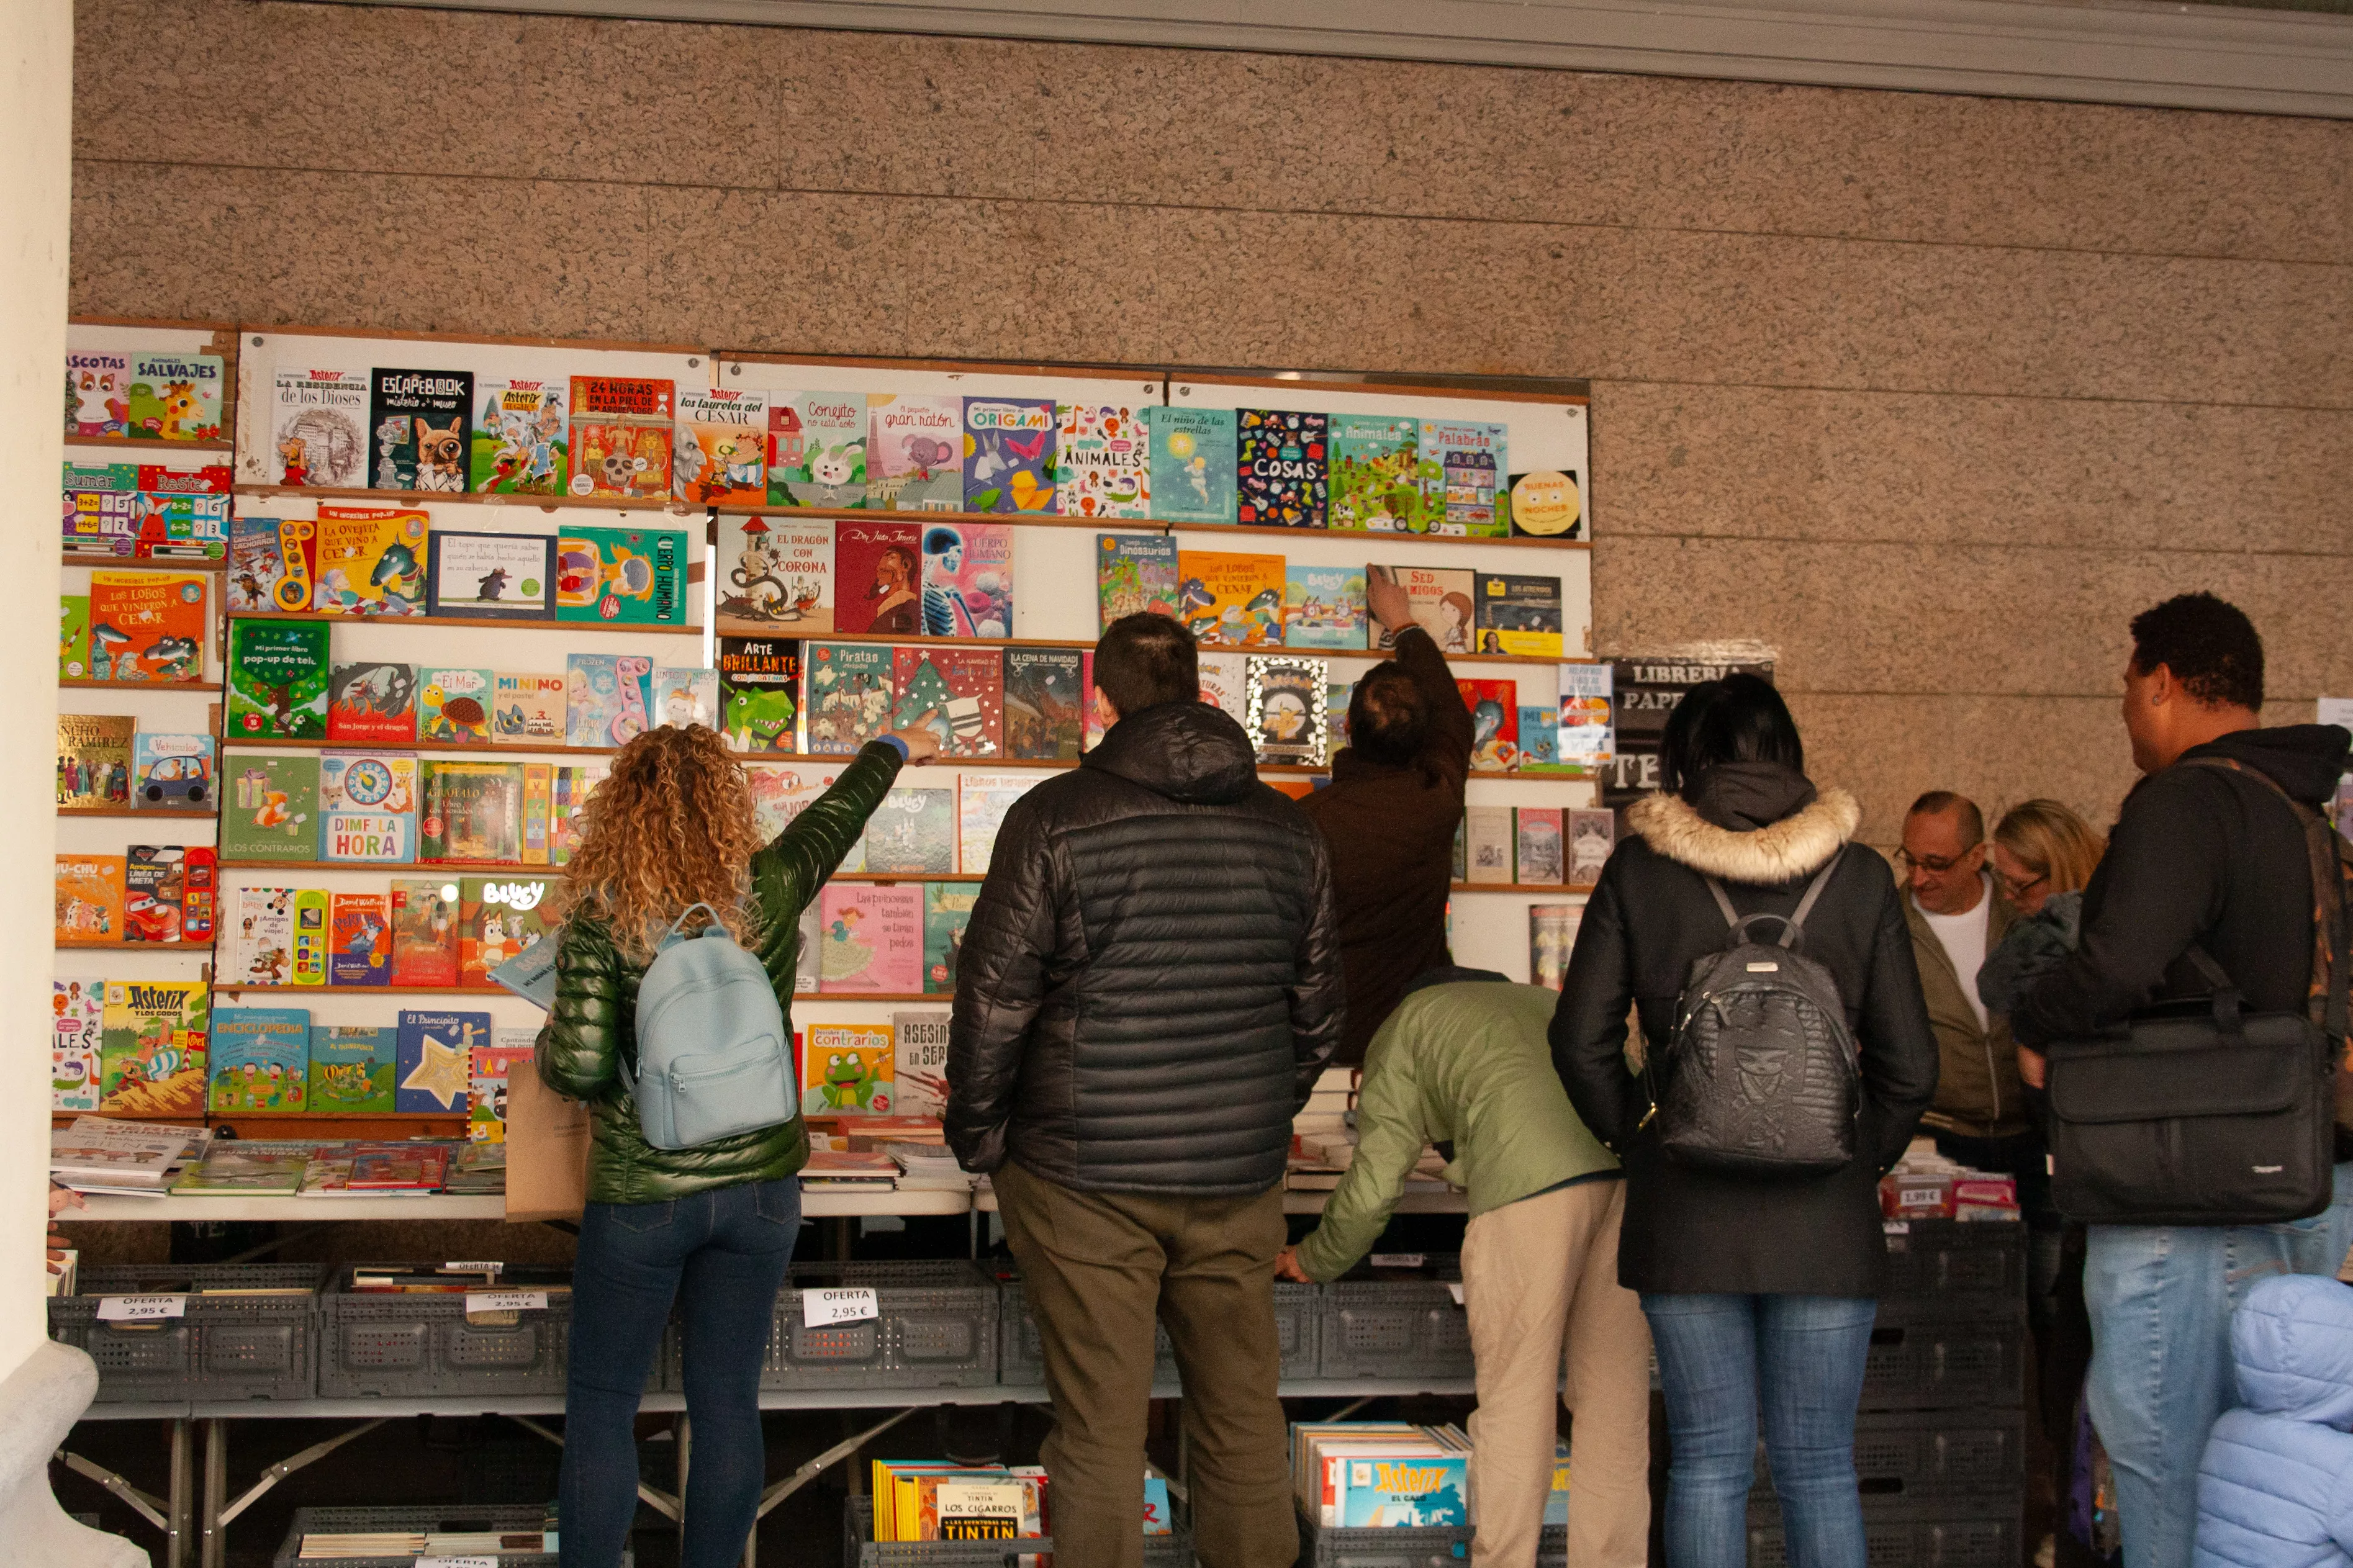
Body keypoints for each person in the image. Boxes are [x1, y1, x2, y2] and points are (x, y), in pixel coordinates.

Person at [947, 611, 1345, 1568]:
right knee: (1245, 1415)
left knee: (1098, 1428)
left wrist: (979, 1134)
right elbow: (1322, 1013)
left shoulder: (1053, 815)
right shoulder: (1291, 828)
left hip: (1081, 1174)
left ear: (1101, 692)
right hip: (1237, 1175)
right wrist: (1255, 1112)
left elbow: (996, 997)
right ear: (1201, 685)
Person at [1550, 673, 1938, 1568]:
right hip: (1824, 1223)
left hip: (1687, 1218)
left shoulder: (1640, 866)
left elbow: (1579, 1041)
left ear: (1685, 759)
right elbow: (1912, 1064)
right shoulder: (1863, 873)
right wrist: (1849, 1158)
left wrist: (1642, 1143)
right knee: (1816, 1468)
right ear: (1787, 753)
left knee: (1708, 1464)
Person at [538, 719, 937, 1568]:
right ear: (725, 804)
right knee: (725, 1402)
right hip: (761, 1189)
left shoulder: (601, 914)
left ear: (622, 809)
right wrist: (891, 750)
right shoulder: (769, 883)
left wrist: (553, 1038)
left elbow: (574, 1069)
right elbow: (840, 814)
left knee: (604, 1403)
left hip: (643, 1192)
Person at [2010, 592, 2353, 1568]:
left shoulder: (2186, 801)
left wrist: (2036, 1020)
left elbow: (2115, 965)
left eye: (2126, 687)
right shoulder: (2302, 814)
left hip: (2182, 1198)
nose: (2124, 710)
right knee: (2264, 1478)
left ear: (2161, 683)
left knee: (2167, 1464)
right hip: (2299, 1184)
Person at [1276, 970, 1648, 1568]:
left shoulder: (1406, 1026)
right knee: (1614, 1403)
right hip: (1632, 1186)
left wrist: (1314, 1258)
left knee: (1516, 1399)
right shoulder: (1544, 1001)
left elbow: (1374, 1186)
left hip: (1529, 1194)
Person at [1298, 565, 1473, 1065]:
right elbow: (1453, 716)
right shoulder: (1436, 799)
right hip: (1418, 1035)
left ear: (1348, 729)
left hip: (1330, 1040)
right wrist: (1405, 623)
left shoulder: (1308, 822)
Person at [1898, 791, 2030, 1174]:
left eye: (1936, 864)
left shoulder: (2019, 911)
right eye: (1910, 860)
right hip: (1937, 1138)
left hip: (2033, 1132)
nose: (1919, 877)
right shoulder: (1890, 925)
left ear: (1976, 857)